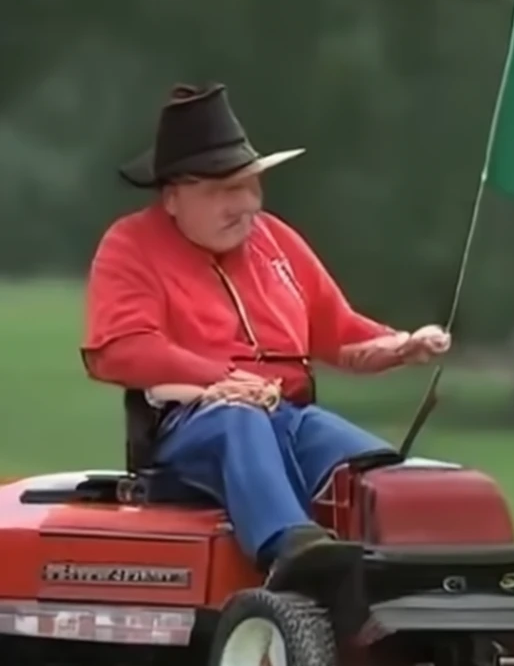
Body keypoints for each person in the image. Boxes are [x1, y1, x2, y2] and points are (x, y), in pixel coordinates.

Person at [81, 82, 451, 599]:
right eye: (221, 192)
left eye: (249, 187)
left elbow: (338, 333)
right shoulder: (130, 246)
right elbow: (121, 349)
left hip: (289, 415)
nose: (244, 206)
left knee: (373, 469)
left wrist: (401, 346)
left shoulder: (276, 240)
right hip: (194, 424)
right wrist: (224, 381)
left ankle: (423, 569)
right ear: (172, 198)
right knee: (240, 421)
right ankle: (294, 550)